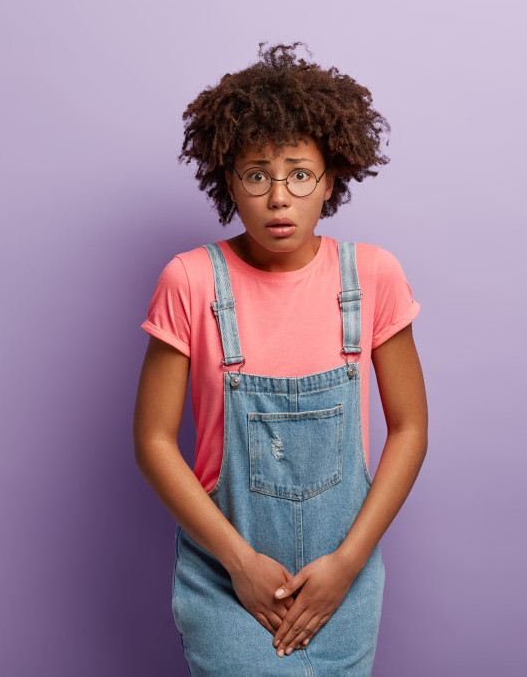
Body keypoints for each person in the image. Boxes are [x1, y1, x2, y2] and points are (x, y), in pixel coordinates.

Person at [133, 42, 427, 676]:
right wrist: (239, 562)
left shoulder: (373, 276)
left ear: (330, 180)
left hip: (342, 580)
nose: (278, 197)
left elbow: (410, 429)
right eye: (256, 174)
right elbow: (153, 441)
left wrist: (348, 563)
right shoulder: (191, 281)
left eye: (299, 174)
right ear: (227, 179)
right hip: (226, 573)